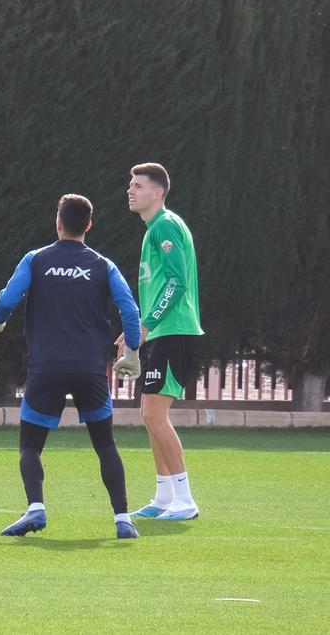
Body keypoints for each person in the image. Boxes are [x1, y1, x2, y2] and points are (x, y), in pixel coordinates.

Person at [0, 194, 142, 538]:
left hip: (47, 368)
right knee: (105, 444)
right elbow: (129, 309)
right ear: (89, 225)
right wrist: (133, 352)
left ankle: (35, 508)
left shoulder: (36, 260)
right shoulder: (103, 265)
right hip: (90, 370)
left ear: (58, 223)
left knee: (30, 446)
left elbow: (9, 298)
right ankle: (123, 519)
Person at [120, 163, 203, 521]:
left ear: (158, 192)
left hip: (175, 331)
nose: (131, 190)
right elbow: (161, 286)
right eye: (130, 184)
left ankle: (185, 500)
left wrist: (147, 324)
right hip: (163, 332)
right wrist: (138, 325)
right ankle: (165, 495)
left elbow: (176, 282)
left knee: (154, 413)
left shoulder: (165, 225)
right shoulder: (155, 228)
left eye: (138, 185)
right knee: (149, 414)